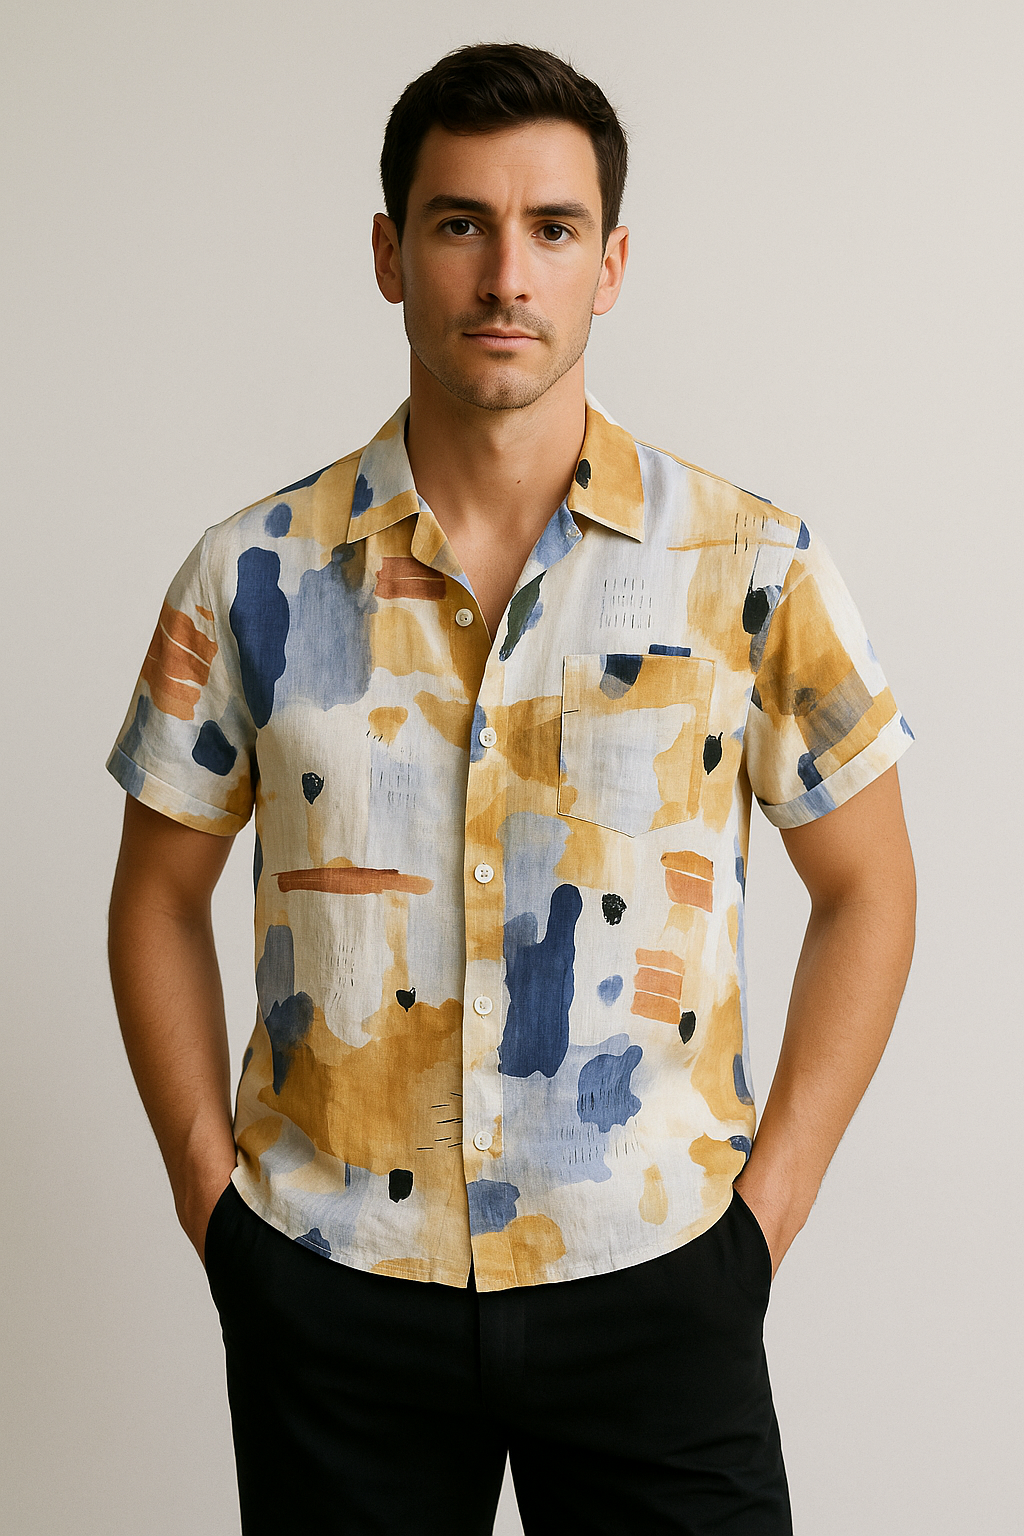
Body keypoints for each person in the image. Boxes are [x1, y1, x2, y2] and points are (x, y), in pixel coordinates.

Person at [106, 41, 916, 1536]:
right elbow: (155, 898)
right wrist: (213, 1206)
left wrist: (765, 1219)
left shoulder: (750, 567)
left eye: (551, 228)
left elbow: (871, 888)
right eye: (460, 223)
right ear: (389, 255)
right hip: (334, 1291)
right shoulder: (248, 576)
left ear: (610, 265)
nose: (505, 276)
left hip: (657, 1274)